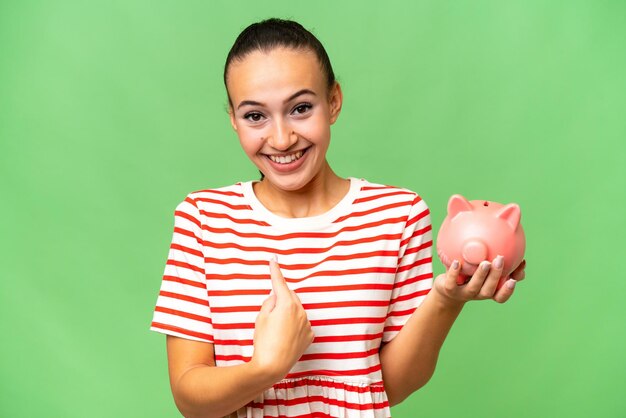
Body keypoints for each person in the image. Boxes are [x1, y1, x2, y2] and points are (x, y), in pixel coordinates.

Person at [149, 18, 527, 418]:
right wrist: (267, 368)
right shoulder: (204, 219)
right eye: (255, 116)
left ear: (333, 102)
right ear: (233, 119)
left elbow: (387, 387)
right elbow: (189, 398)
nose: (281, 139)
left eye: (300, 108)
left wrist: (447, 300)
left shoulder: (398, 215)